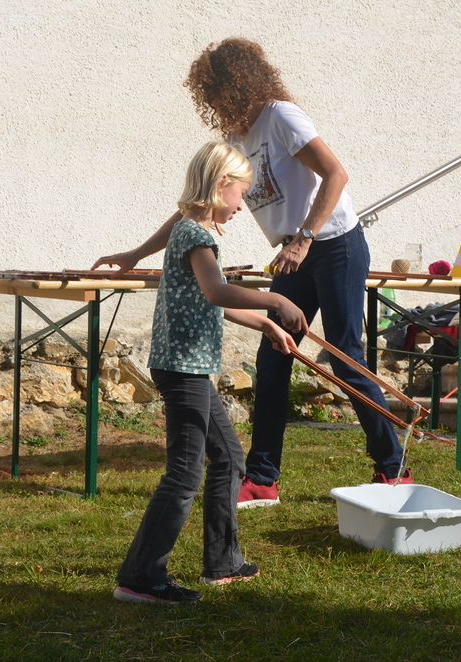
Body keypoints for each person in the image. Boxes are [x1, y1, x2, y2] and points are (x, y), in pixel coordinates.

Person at [94, 38, 410, 514]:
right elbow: (198, 202)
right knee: (274, 356)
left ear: (238, 82)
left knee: (346, 357)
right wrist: (136, 254)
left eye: (218, 91)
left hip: (334, 244)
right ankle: (262, 479)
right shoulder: (237, 137)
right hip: (293, 253)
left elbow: (336, 175)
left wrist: (304, 238)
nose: (215, 102)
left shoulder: (281, 117)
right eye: (209, 95)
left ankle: (392, 467)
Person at [113, 141, 307, 605]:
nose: (242, 206)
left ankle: (223, 561)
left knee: (231, 459)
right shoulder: (196, 235)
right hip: (183, 368)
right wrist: (276, 299)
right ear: (222, 184)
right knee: (184, 472)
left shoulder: (188, 228)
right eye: (242, 194)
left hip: (189, 368)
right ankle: (141, 577)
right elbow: (217, 291)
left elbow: (210, 298)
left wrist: (266, 325)